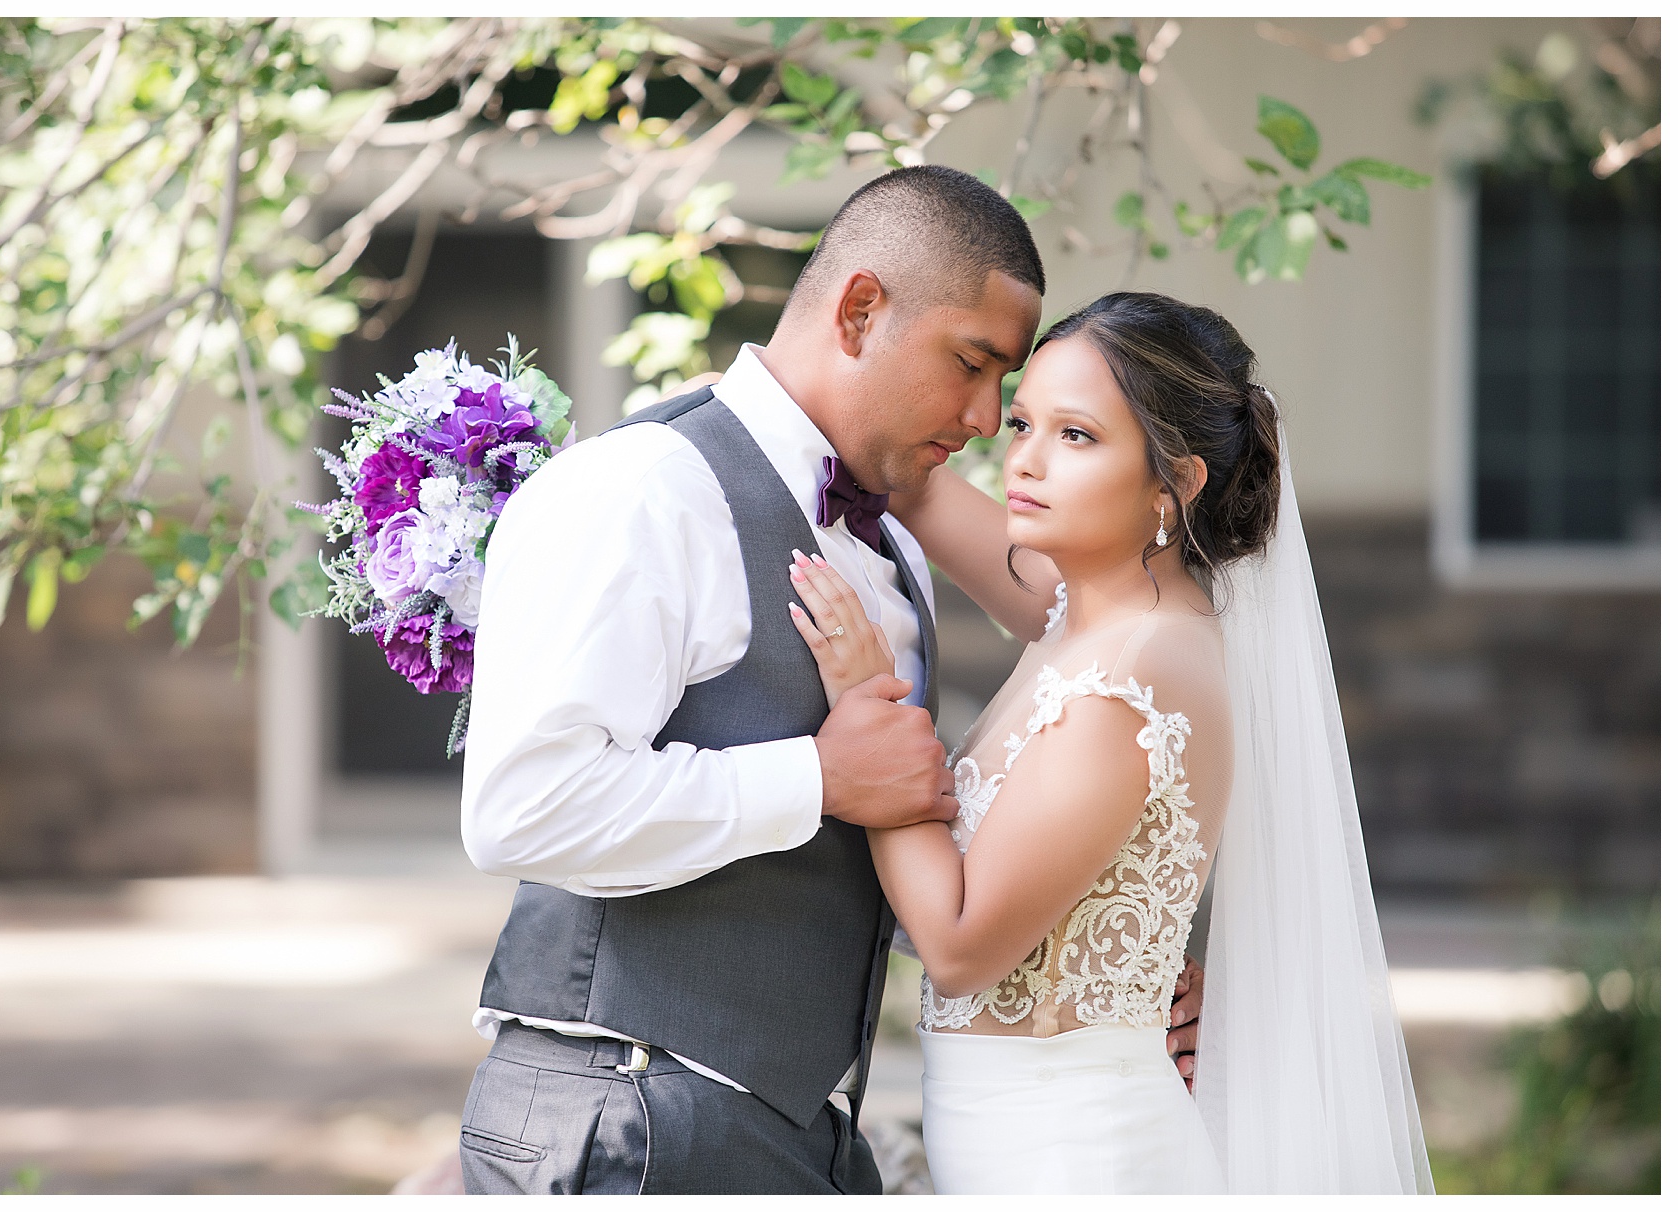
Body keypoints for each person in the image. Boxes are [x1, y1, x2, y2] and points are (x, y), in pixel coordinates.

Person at [454, 169, 1205, 1194]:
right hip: (632, 1117)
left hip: (802, 1137)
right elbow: (521, 808)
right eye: (973, 365)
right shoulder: (646, 488)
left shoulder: (892, 541)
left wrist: (1104, 959)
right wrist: (814, 777)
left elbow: (872, 859)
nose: (988, 420)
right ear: (860, 310)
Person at [785, 291, 1434, 1194]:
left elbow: (963, 944)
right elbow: (919, 484)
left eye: (1078, 436)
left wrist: (869, 709)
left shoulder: (1130, 679)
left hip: (1079, 1157)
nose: (1026, 461)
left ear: (1178, 480)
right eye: (1022, 423)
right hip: (1025, 1134)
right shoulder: (1088, 616)